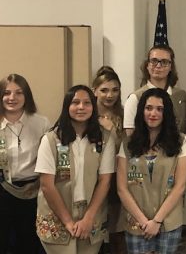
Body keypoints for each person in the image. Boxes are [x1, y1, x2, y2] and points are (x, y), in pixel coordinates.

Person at [35, 85, 116, 254]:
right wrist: (67, 222)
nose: (81, 107)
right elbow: (46, 185)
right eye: (76, 102)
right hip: (57, 213)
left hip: (91, 212)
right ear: (67, 107)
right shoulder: (51, 139)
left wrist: (88, 218)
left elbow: (105, 181)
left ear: (93, 107)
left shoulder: (104, 139)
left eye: (87, 103)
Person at [117, 88, 186, 254]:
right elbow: (122, 188)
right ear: (141, 110)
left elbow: (180, 186)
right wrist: (144, 221)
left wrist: (156, 221)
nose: (153, 113)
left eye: (159, 109)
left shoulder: (180, 141)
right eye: (148, 108)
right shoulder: (128, 143)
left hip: (168, 220)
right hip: (137, 221)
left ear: (167, 113)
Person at [0, 74, 49, 254]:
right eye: (7, 93)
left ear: (26, 96)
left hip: (32, 191)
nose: (12, 98)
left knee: (28, 242)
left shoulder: (41, 123)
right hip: (2, 189)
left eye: (18, 93)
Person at [91, 66, 127, 254]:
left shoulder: (124, 115)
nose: (109, 95)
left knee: (116, 230)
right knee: (93, 227)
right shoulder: (86, 114)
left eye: (115, 90)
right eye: (104, 90)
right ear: (94, 90)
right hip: (92, 178)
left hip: (116, 177)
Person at [123, 45, 186, 136]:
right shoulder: (135, 98)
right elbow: (130, 138)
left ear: (171, 67)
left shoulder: (181, 96)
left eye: (164, 62)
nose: (158, 66)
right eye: (154, 61)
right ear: (147, 65)